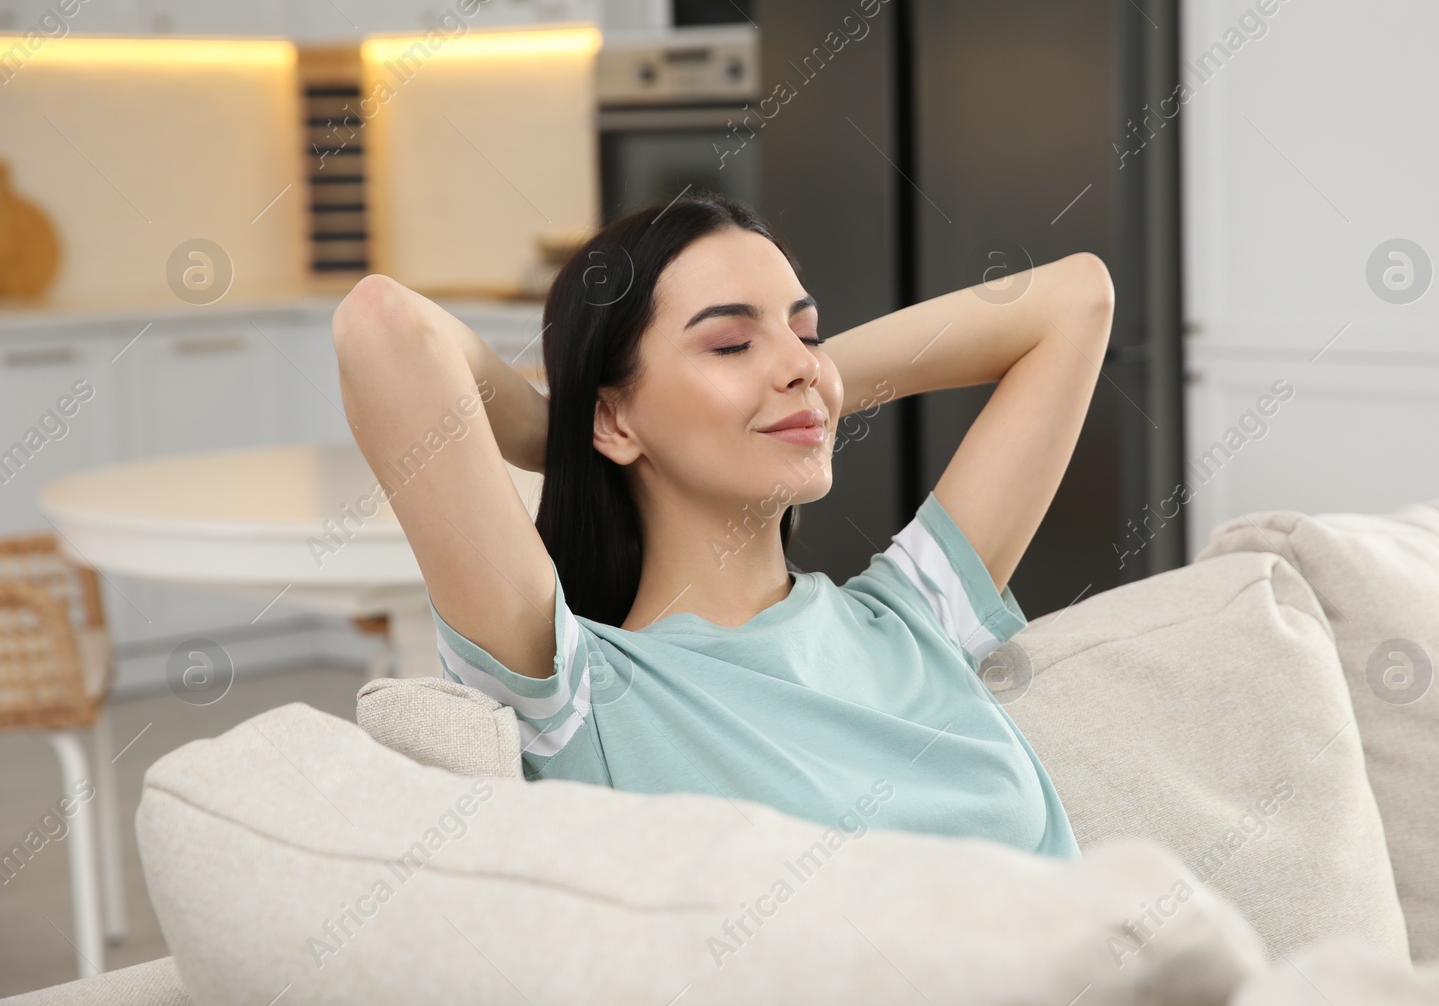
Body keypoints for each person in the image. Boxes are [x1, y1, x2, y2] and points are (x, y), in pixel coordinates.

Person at [331, 191, 1113, 860]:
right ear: (613, 415)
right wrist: (571, 430)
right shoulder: (580, 695)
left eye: (805, 332)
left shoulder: (915, 619)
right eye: (730, 341)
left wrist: (812, 386)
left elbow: (1077, 299)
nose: (799, 359)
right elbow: (385, 326)